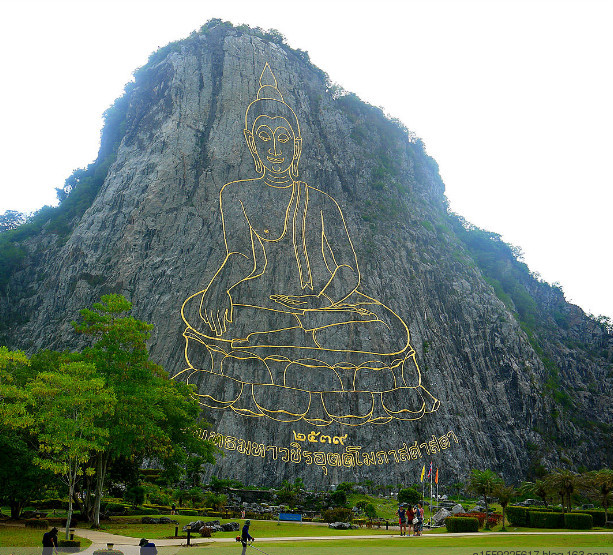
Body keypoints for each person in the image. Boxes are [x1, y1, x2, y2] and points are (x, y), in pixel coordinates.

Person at [176, 63, 439, 426]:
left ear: (296, 144)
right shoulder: (235, 193)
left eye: (284, 138)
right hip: (264, 302)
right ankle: (291, 343)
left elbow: (348, 270)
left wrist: (321, 302)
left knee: (389, 330)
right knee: (201, 309)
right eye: (264, 137)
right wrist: (218, 287)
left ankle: (272, 346)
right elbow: (242, 256)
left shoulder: (320, 201)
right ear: (251, 141)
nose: (275, 148)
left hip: (324, 307)